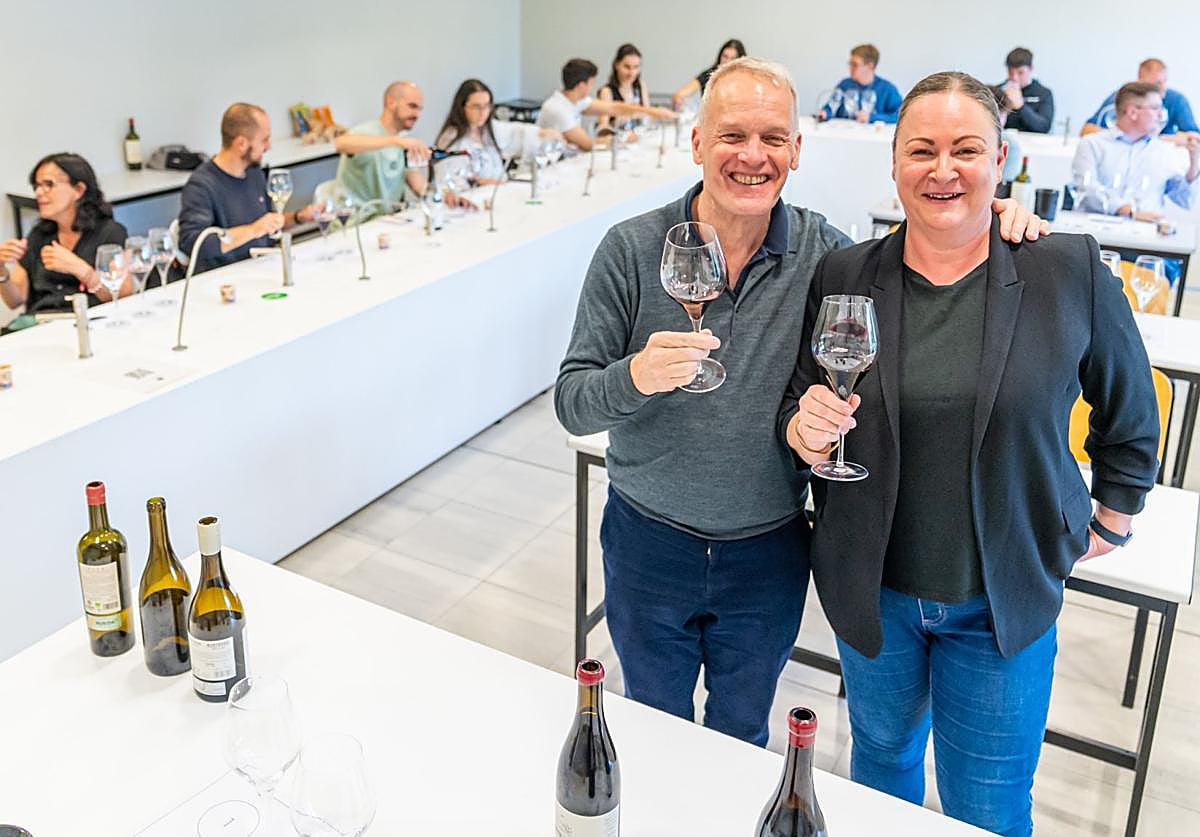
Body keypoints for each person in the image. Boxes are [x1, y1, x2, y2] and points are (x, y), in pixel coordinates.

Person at [555, 57, 1045, 749]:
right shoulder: (631, 249)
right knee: (652, 730)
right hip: (647, 542)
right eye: (731, 136)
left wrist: (992, 217)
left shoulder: (828, 256)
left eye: (772, 137)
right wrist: (635, 374)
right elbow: (573, 404)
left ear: (795, 150)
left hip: (769, 551)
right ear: (697, 144)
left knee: (741, 735)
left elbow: (929, 257)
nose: (752, 156)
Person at [782, 71, 1159, 837]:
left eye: (965, 149)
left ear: (1001, 159)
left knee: (984, 807)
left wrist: (1113, 518)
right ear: (895, 163)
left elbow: (1130, 409)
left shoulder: (1065, 267)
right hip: (875, 592)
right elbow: (799, 398)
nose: (943, 169)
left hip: (1000, 601)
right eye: (921, 150)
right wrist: (801, 426)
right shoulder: (848, 272)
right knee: (880, 774)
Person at [178, 103, 320, 274]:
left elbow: (266, 223)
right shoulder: (202, 186)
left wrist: (299, 217)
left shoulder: (254, 173)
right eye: (264, 140)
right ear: (241, 144)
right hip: (226, 280)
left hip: (264, 269)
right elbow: (193, 244)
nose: (268, 147)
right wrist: (253, 230)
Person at [0, 153, 129, 316]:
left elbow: (122, 295)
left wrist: (80, 269)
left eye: (48, 184)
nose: (39, 192)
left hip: (87, 323)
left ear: (79, 190)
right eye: (37, 186)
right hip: (40, 324)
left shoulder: (110, 232)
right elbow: (15, 300)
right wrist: (1, 269)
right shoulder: (39, 235)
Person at [1072, 81, 1200, 221]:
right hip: (1097, 232)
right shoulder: (1092, 144)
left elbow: (1185, 200)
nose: (1161, 115)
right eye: (1155, 108)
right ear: (1133, 112)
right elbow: (1087, 191)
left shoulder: (1164, 150)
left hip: (1147, 237)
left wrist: (1194, 160)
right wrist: (1130, 212)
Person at [335, 81, 439, 216]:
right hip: (356, 223)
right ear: (391, 102)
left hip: (387, 221)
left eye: (420, 109)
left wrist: (440, 195)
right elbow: (341, 143)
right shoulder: (365, 132)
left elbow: (416, 181)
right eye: (412, 106)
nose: (417, 114)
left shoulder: (403, 140)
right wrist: (395, 141)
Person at [434, 79, 560, 184]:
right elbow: (455, 181)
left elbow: (517, 132)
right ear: (462, 108)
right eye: (476, 107)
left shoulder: (489, 130)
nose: (483, 112)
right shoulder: (451, 138)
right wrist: (495, 184)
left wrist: (543, 133)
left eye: (486, 106)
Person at [537, 59, 675, 152]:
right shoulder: (557, 109)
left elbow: (613, 108)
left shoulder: (575, 100)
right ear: (581, 85)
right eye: (591, 83)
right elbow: (587, 144)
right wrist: (623, 138)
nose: (592, 88)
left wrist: (651, 111)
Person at [1083, 58, 1199, 145]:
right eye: (1156, 84)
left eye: (1164, 81)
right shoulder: (1123, 97)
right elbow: (1087, 130)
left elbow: (1194, 138)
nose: (1162, 88)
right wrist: (1123, 137)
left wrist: (1153, 139)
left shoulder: (1177, 100)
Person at [818, 44, 902, 124]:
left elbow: (900, 115)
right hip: (845, 134)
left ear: (870, 66)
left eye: (855, 64)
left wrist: (872, 117)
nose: (850, 68)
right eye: (850, 64)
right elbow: (831, 106)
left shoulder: (887, 90)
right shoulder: (844, 85)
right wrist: (825, 113)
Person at [670, 39, 746, 110]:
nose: (727, 61)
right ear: (720, 57)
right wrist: (679, 102)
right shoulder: (708, 75)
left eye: (733, 59)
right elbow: (678, 95)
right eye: (725, 56)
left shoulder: (745, 80)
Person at [996, 47, 1053, 133]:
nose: (1014, 78)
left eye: (1020, 73)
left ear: (1031, 69)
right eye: (1011, 72)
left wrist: (1021, 107)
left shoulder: (1044, 93)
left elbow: (1044, 127)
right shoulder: (998, 90)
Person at [597, 43, 649, 133]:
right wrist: (629, 114)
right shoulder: (607, 91)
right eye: (627, 67)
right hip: (618, 140)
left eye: (636, 67)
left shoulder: (640, 86)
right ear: (617, 65)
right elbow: (603, 128)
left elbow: (647, 115)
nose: (631, 73)